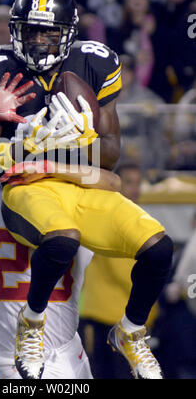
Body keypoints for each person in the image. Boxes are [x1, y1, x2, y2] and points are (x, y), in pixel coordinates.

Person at [0, 0, 173, 380]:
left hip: (82, 184)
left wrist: (43, 148)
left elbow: (110, 152)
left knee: (159, 249)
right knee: (62, 240)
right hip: (29, 187)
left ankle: (130, 332)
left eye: (49, 32)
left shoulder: (93, 63)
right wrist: (17, 137)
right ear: (14, 30)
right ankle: (33, 322)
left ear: (69, 34)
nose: (40, 42)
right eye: (31, 30)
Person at [0, 87, 122, 379]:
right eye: (30, 144)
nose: (36, 150)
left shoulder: (72, 195)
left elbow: (114, 181)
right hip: (16, 354)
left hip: (68, 349)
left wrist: (50, 167)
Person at [78, 162, 160, 378]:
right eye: (129, 183)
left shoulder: (132, 218)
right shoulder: (115, 218)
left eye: (138, 183)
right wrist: (156, 303)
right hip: (108, 320)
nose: (135, 189)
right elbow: (127, 273)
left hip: (115, 318)